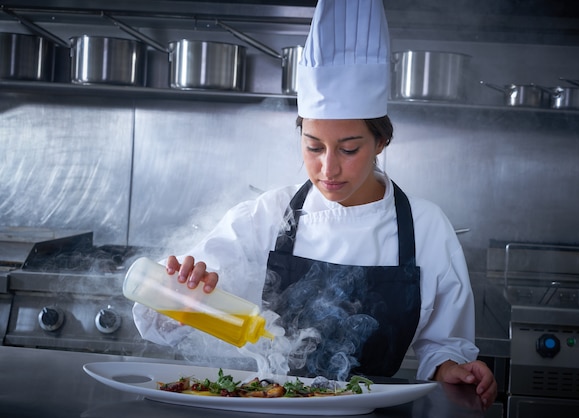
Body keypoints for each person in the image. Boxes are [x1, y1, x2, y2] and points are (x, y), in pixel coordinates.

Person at [132, 0, 497, 409]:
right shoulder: (268, 216)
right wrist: (178, 290)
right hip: (269, 406)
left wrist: (453, 367)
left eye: (349, 148)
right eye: (313, 146)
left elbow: (443, 346)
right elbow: (161, 319)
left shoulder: (425, 227)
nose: (328, 168)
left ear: (381, 142)